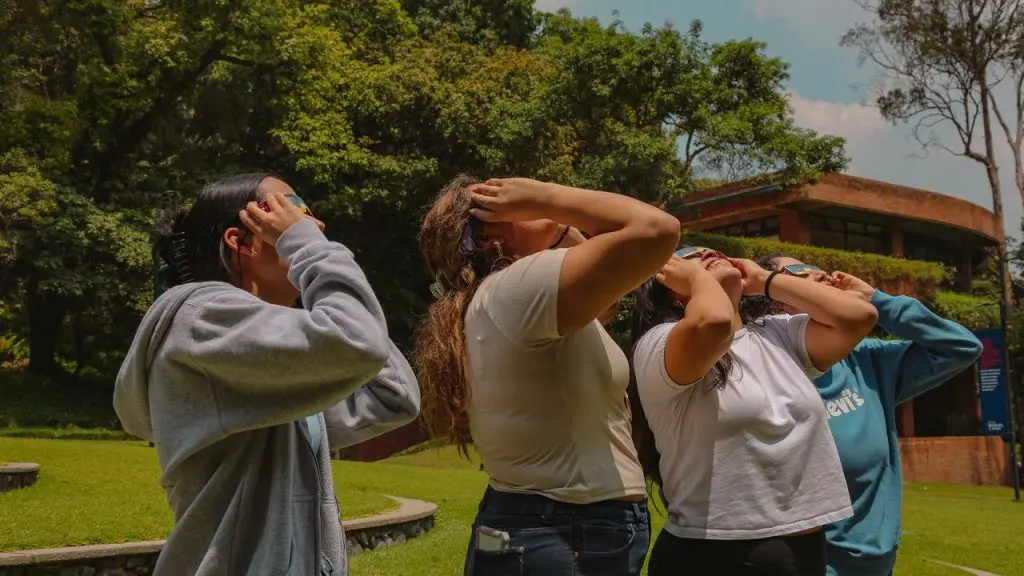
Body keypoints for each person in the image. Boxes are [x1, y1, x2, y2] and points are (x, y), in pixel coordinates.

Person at [113, 173, 420, 576]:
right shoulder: (203, 320)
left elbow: (392, 395)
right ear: (239, 241)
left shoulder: (258, 358)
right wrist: (311, 251)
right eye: (291, 210)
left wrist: (319, 284)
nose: (313, 225)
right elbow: (360, 343)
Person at [414, 176, 680, 576]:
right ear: (492, 236)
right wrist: (546, 198)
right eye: (506, 198)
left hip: (545, 526)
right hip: (565, 528)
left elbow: (609, 292)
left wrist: (555, 226)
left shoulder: (504, 297)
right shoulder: (518, 287)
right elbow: (658, 229)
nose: (523, 189)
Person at [628, 246, 879, 576]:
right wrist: (700, 282)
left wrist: (764, 279)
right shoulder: (658, 344)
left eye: (712, 251)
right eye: (691, 256)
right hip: (712, 555)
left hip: (803, 549)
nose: (707, 253)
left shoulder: (776, 334)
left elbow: (859, 317)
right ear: (673, 292)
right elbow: (714, 322)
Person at [764, 257, 983, 576]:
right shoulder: (762, 371)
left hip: (878, 565)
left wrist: (877, 300)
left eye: (818, 270)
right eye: (799, 272)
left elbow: (961, 347)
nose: (819, 276)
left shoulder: (866, 360)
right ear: (773, 299)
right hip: (808, 564)